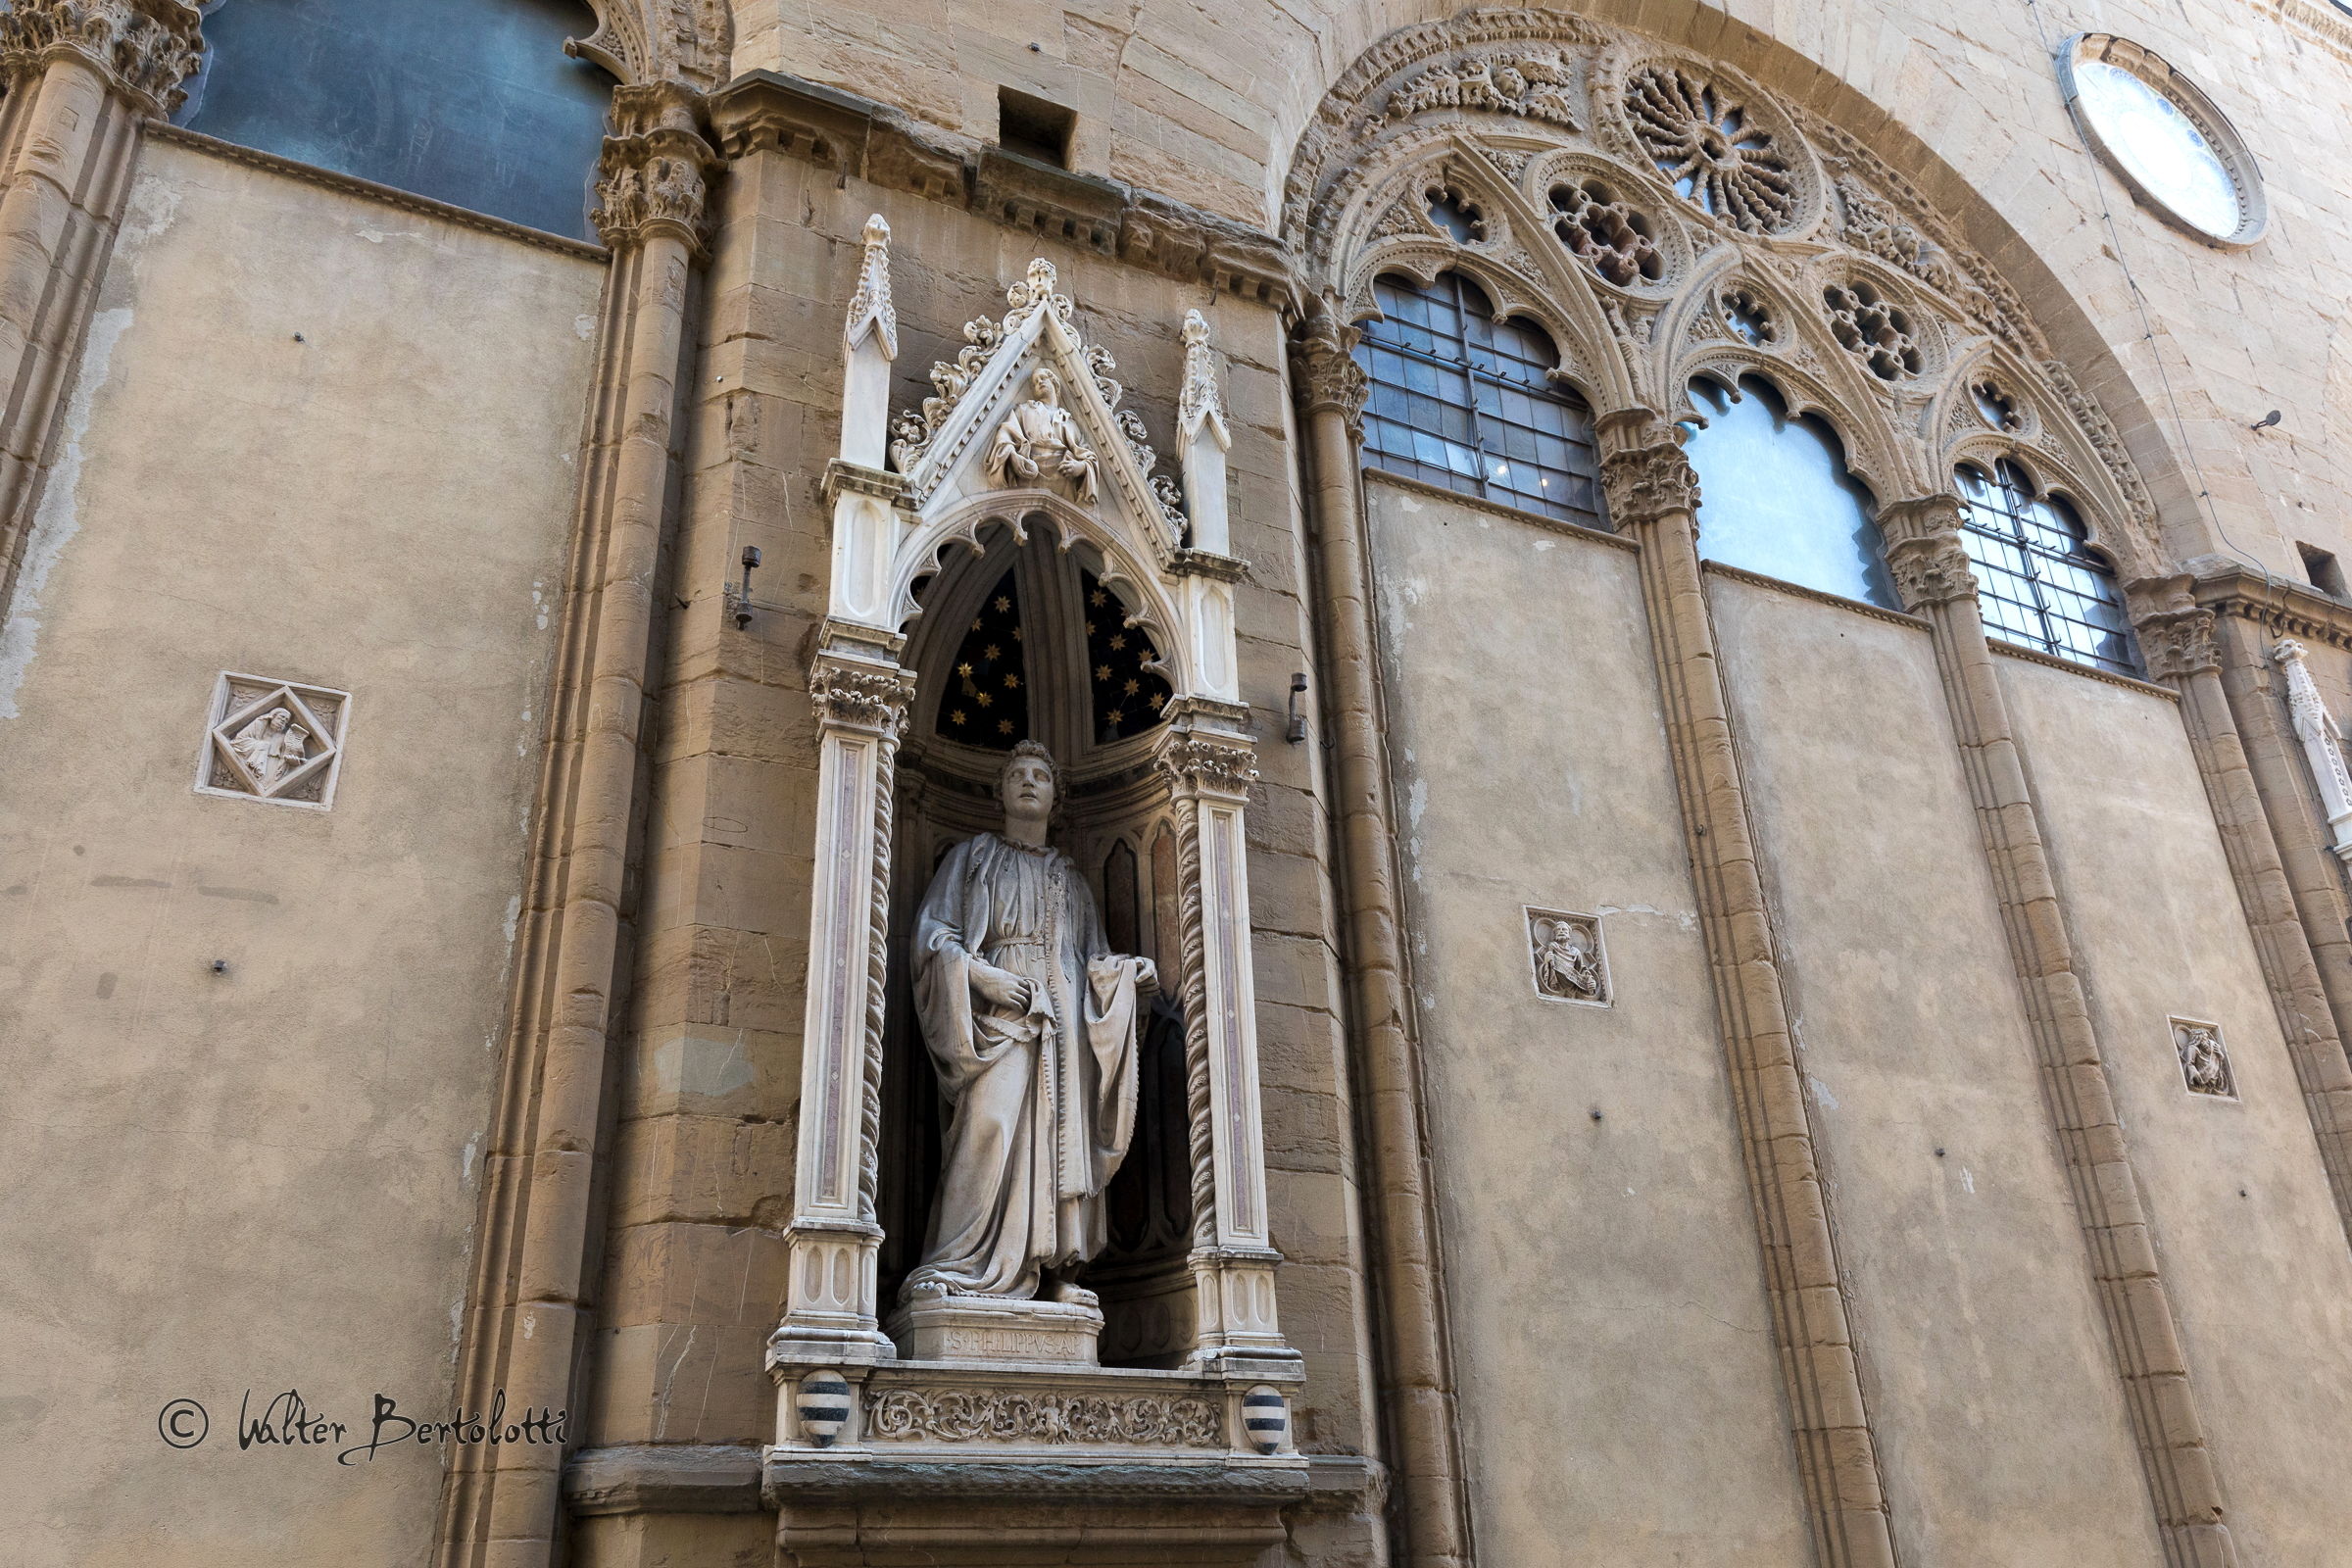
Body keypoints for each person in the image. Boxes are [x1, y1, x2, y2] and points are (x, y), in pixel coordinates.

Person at [904, 741, 1155, 1302]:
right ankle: (959, 1261)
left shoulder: (1073, 879)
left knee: (1061, 1133)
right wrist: (981, 977)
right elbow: (931, 937)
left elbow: (1090, 957)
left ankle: (1056, 1270)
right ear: (998, 791)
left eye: (1040, 774)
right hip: (1001, 1018)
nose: (1027, 781)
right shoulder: (972, 859)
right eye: (1016, 773)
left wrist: (1123, 976)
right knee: (989, 1124)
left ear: (1055, 796)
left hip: (1064, 1025)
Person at [985, 367, 1100, 503]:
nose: (1039, 382)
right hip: (1029, 473)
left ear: (1054, 382)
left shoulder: (1068, 421)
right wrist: (1013, 457)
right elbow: (1004, 435)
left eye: (1042, 378)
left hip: (1063, 480)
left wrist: (1080, 468)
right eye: (1034, 383)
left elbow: (1088, 454)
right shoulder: (1024, 410)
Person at [228, 706, 309, 791]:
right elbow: (238, 741)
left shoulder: (283, 737)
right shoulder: (258, 725)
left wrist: (294, 762)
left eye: (286, 720)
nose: (283, 721)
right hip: (252, 762)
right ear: (273, 716)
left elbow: (292, 755)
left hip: (273, 765)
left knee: (266, 787)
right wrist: (261, 745)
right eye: (281, 717)